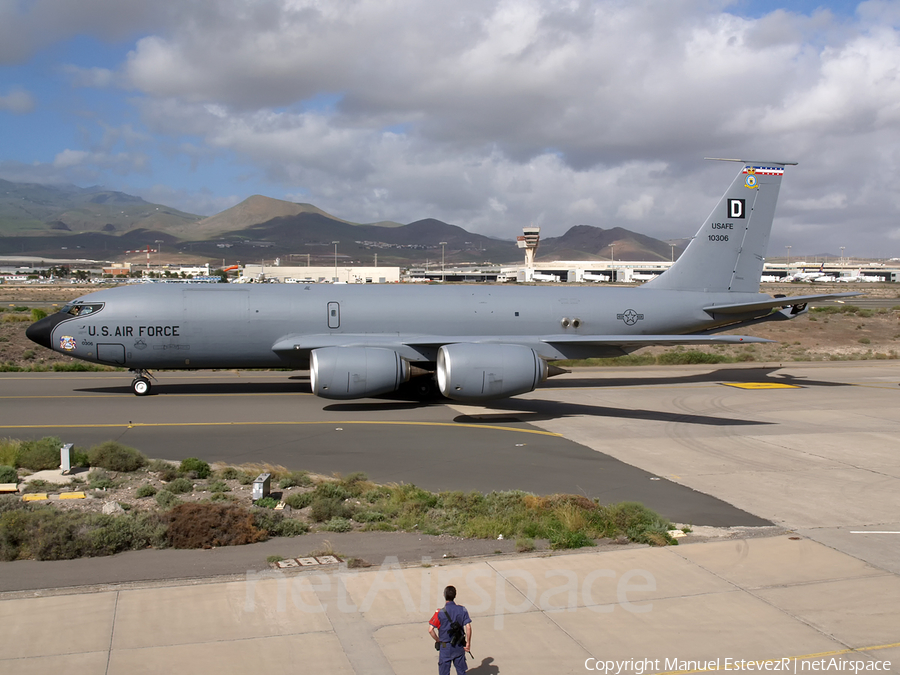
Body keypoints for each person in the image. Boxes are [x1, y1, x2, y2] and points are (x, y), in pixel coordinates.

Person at [428, 585, 472, 675]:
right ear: (455, 596)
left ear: (444, 595)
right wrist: (468, 643)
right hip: (459, 645)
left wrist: (438, 640)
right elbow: (468, 627)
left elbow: (430, 630)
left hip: (445, 646)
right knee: (461, 671)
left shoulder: (440, 613)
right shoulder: (462, 609)